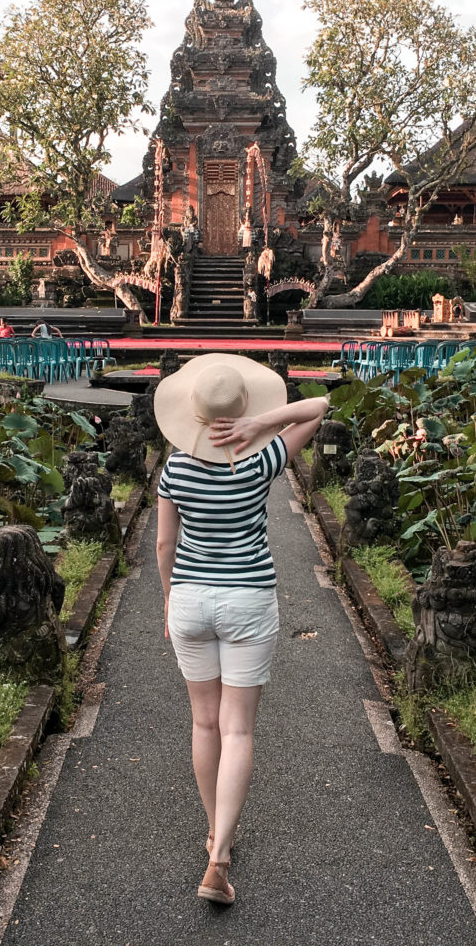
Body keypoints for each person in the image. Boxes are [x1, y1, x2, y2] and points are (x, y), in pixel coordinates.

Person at [152, 353, 327, 906]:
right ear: (238, 411)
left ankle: (213, 831)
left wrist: (168, 602)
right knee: (238, 732)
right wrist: (260, 425)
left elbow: (164, 546)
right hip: (248, 598)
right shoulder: (259, 462)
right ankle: (220, 858)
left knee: (204, 724)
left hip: (190, 601)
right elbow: (319, 407)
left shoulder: (175, 470)